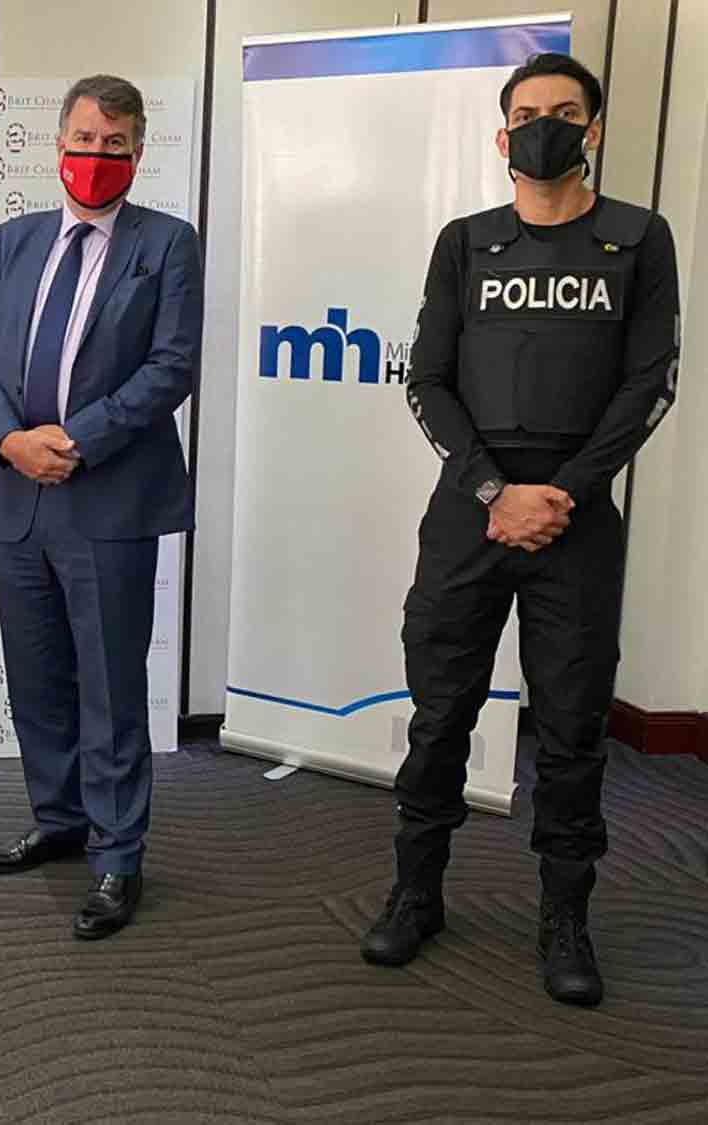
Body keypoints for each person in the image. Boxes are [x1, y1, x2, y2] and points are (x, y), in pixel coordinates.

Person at [360, 54, 680, 1007]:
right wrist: (497, 490)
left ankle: (565, 917)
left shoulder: (640, 238)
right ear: (503, 135)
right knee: (439, 714)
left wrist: (562, 494)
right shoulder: (465, 243)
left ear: (594, 130)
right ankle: (416, 893)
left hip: (575, 523)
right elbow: (427, 379)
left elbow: (650, 384)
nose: (547, 126)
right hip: (471, 514)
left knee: (574, 730)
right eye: (529, 113)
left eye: (566, 113)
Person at [0, 75, 202, 940]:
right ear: (59, 142)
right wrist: (11, 441)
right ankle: (58, 819)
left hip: (108, 501)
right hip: (16, 499)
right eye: (85, 140)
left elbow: (171, 366)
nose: (97, 157)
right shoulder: (13, 240)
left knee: (110, 686)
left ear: (139, 152)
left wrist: (77, 439)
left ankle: (117, 853)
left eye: (115, 145)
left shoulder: (167, 243)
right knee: (38, 680)